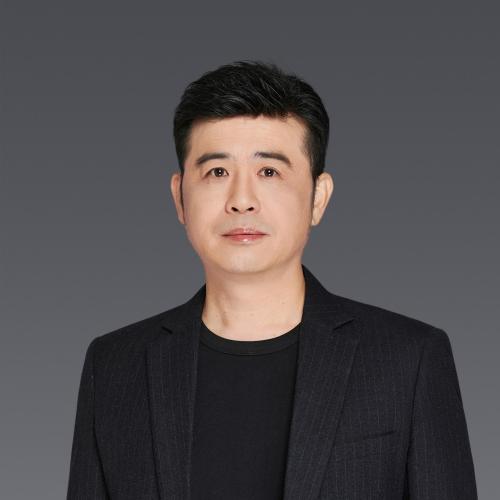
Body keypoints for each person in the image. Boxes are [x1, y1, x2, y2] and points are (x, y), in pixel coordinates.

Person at [66, 60, 478, 499]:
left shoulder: (408, 359)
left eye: (269, 172)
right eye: (217, 172)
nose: (241, 200)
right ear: (180, 196)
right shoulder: (115, 367)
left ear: (318, 198)